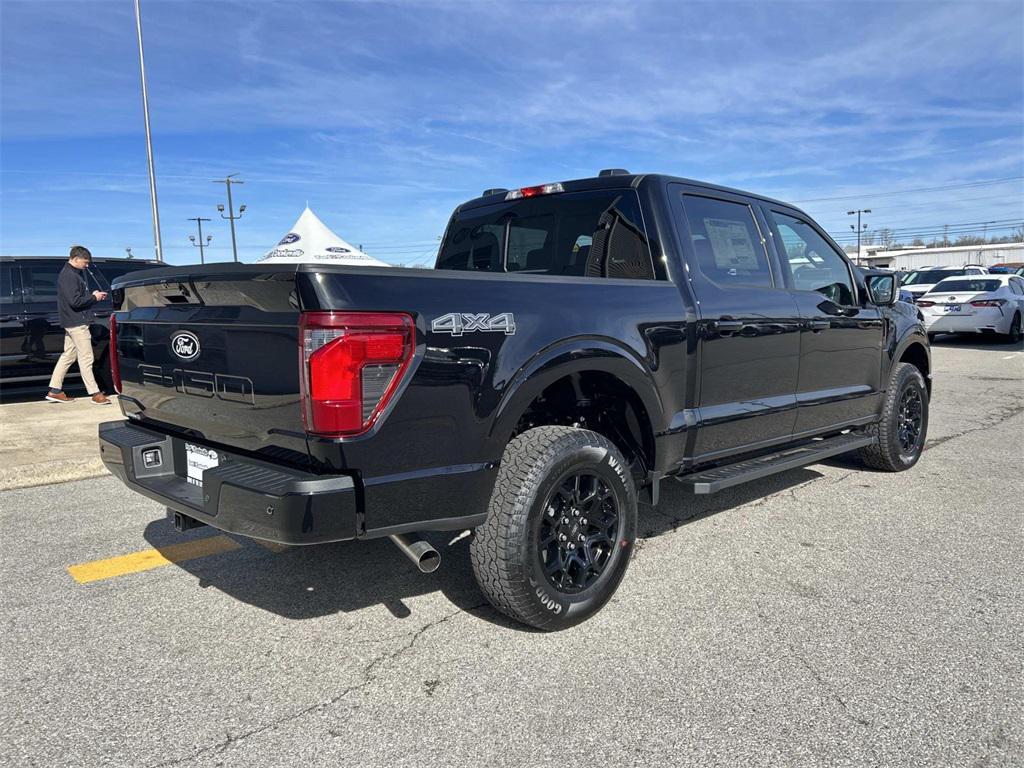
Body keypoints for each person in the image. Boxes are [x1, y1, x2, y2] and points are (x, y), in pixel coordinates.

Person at [45, 245, 112, 404]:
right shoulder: (69, 276)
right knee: (86, 357)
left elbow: (74, 299)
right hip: (77, 322)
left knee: (68, 355)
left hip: (71, 321)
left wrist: (92, 296)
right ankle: (95, 393)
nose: (87, 265)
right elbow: (75, 302)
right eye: (85, 262)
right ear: (75, 259)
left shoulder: (69, 274)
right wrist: (94, 298)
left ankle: (55, 390)